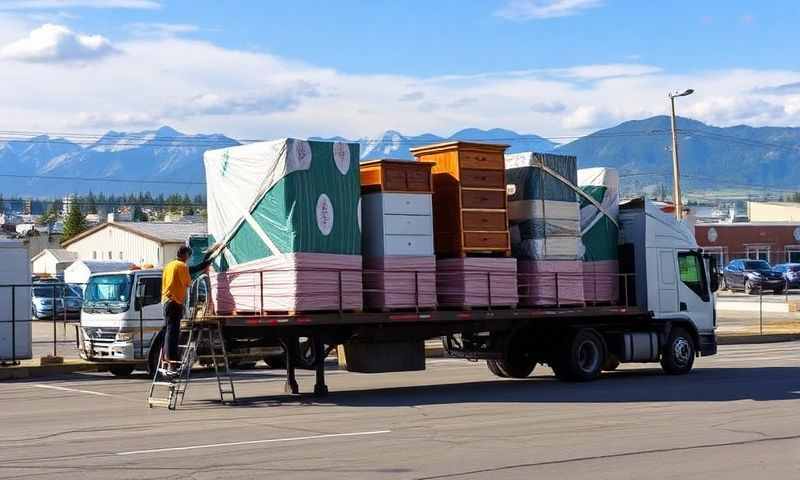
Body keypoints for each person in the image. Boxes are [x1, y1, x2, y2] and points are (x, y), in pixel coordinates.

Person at [161, 245, 214, 373]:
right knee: (173, 333)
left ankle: (166, 361)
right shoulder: (182, 266)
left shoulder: (169, 265)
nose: (189, 258)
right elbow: (188, 283)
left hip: (166, 301)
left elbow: (190, 270)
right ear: (185, 255)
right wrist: (204, 271)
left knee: (168, 331)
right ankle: (172, 362)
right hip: (174, 302)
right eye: (189, 256)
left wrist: (204, 264)